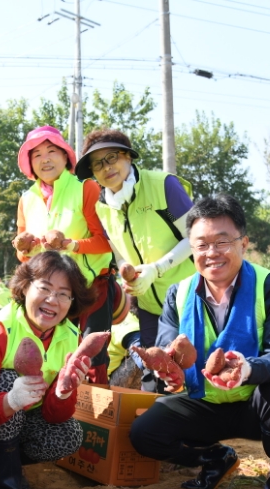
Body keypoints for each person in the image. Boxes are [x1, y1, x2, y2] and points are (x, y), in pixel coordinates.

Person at [129, 194, 270, 489]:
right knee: (145, 432)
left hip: (254, 402)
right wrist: (172, 369)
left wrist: (247, 369)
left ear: (244, 243)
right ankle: (214, 457)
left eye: (222, 241)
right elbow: (168, 343)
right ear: (191, 249)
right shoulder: (178, 293)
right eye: (201, 244)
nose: (212, 253)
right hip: (204, 402)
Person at [0, 251, 95, 489]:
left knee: (70, 435)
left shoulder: (69, 335)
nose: (52, 300)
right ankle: (6, 486)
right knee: (10, 380)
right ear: (25, 287)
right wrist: (11, 400)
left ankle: (4, 462)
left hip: (25, 421)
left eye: (64, 294)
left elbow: (55, 416)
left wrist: (65, 390)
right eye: (44, 288)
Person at [75, 129, 195, 392]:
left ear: (128, 156)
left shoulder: (164, 185)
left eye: (112, 157)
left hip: (190, 298)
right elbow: (119, 254)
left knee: (195, 371)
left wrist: (157, 269)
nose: (107, 168)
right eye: (98, 164)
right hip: (150, 307)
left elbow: (196, 238)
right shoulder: (101, 206)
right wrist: (129, 279)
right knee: (159, 379)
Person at [15, 126, 114, 384]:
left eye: (52, 151)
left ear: (66, 157)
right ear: (29, 163)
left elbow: (106, 242)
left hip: (91, 288)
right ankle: (51, 411)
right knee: (51, 355)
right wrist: (23, 247)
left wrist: (69, 245)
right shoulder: (26, 199)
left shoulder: (87, 188)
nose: (45, 159)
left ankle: (94, 421)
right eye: (36, 154)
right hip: (51, 294)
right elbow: (25, 258)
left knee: (92, 359)